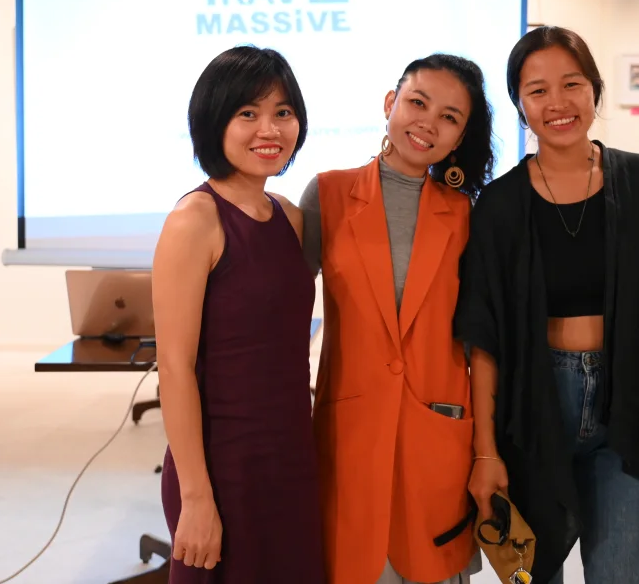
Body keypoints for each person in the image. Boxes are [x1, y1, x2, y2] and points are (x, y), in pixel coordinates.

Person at [453, 26, 639, 583]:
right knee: (535, 573)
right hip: (532, 411)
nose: (557, 103)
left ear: (595, 89)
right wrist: (485, 450)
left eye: (571, 84)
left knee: (620, 572)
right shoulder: (499, 204)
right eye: (537, 90)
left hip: (629, 408)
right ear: (520, 104)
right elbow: (484, 338)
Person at [300, 53, 495, 584]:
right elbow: (285, 314)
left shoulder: (465, 213)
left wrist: (485, 452)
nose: (428, 123)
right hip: (350, 430)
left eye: (450, 117)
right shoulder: (328, 194)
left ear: (460, 137)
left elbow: (480, 342)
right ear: (390, 102)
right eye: (417, 102)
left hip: (437, 430)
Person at [153, 45, 323, 583]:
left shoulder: (291, 218)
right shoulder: (195, 219)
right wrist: (196, 497)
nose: (269, 129)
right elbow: (174, 368)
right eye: (248, 113)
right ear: (214, 121)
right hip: (221, 466)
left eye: (282, 112)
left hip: (291, 457)